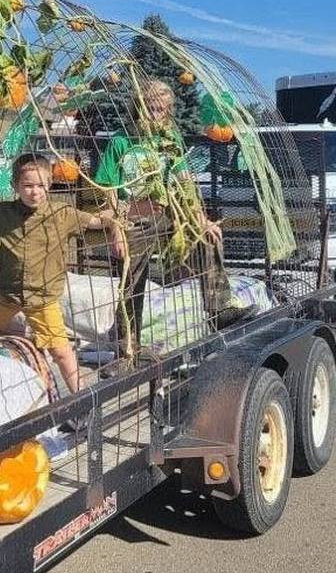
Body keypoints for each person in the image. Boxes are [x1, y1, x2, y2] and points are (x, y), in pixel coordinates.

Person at [93, 78, 254, 361]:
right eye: (149, 108)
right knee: (131, 283)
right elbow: (107, 190)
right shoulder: (121, 141)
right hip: (134, 219)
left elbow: (185, 185)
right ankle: (126, 351)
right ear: (137, 108)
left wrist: (200, 219)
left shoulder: (170, 140)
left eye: (160, 110)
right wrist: (117, 230)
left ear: (168, 112)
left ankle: (219, 309)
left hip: (169, 216)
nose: (154, 115)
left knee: (207, 237)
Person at [0, 153, 120, 398]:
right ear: (15, 186)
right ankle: (9, 359)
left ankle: (84, 401)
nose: (35, 192)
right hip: (5, 294)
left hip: (42, 299)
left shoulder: (63, 214)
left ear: (50, 185)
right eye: (28, 185)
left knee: (61, 351)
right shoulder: (3, 215)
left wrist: (117, 226)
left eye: (41, 186)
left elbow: (100, 221)